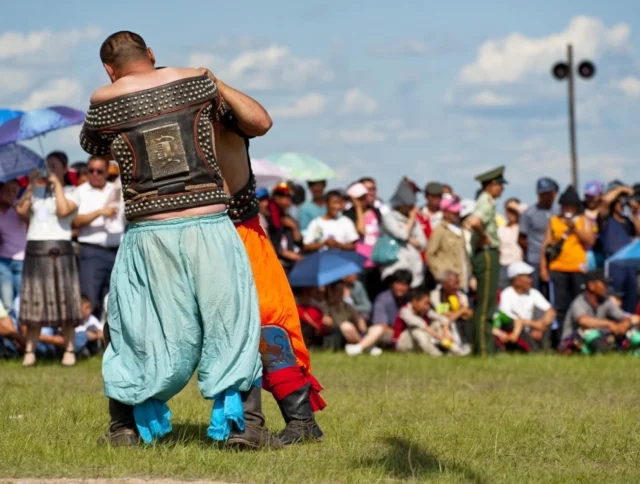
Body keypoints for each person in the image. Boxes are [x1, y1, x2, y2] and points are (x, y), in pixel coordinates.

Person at [80, 31, 273, 448]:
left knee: (134, 325)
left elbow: (92, 144)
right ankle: (246, 426)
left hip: (149, 232)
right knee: (232, 321)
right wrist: (213, 80)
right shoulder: (197, 84)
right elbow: (261, 122)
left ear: (109, 69)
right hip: (209, 225)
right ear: (151, 54)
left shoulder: (103, 100)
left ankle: (125, 429)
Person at [201, 64, 325, 445]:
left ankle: (300, 423)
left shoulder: (218, 114)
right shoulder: (166, 126)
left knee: (267, 325)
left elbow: (261, 120)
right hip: (197, 238)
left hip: (241, 234)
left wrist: (213, 82)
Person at [15, 152, 82, 367]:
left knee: (65, 300)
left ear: (64, 169)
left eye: (54, 166)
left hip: (60, 249)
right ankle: (30, 351)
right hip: (35, 248)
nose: (49, 169)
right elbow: (21, 211)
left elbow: (64, 211)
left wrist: (57, 184)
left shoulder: (73, 191)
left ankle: (69, 349)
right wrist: (32, 186)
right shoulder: (36, 192)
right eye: (47, 166)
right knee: (34, 301)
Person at [540, 185, 596, 349]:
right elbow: (546, 245)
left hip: (578, 269)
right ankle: (562, 341)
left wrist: (574, 228)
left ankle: (580, 340)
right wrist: (544, 268)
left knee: (578, 304)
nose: (567, 209)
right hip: (558, 268)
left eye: (570, 206)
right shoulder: (554, 221)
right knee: (560, 306)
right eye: (564, 205)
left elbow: (590, 240)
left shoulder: (583, 220)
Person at [73, 155, 126, 318]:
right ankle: (86, 340)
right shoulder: (80, 192)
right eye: (91, 171)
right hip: (92, 252)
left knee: (117, 298)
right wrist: (99, 212)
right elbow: (75, 221)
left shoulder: (117, 190)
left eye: (99, 171)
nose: (94, 174)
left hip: (117, 251)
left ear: (105, 172)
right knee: (89, 299)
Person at [464, 166, 506, 356]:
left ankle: (480, 348)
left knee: (484, 304)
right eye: (500, 185)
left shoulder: (485, 201)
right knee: (486, 306)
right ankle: (483, 350)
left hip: (485, 253)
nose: (502, 189)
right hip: (487, 253)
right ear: (492, 185)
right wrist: (483, 236)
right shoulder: (486, 202)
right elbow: (474, 222)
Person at [559, 270, 633, 354]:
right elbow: (583, 321)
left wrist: (623, 325)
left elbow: (624, 317)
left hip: (597, 338)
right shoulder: (579, 301)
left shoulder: (606, 301)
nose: (606, 287)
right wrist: (609, 323)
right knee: (588, 333)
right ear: (591, 286)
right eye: (603, 284)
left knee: (627, 335)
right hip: (574, 341)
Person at [345, 269, 412, 356]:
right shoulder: (383, 299)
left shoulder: (411, 299)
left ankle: (363, 347)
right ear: (392, 284)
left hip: (407, 334)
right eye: (398, 284)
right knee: (377, 329)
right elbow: (381, 325)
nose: (401, 288)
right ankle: (361, 347)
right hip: (389, 334)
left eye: (404, 285)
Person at [494, 261, 556, 352]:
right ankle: (534, 350)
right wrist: (535, 324)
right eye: (527, 277)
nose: (531, 280)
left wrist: (542, 326)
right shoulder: (507, 294)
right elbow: (511, 320)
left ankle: (544, 348)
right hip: (516, 332)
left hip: (532, 330)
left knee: (548, 323)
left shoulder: (533, 293)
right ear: (516, 279)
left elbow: (551, 311)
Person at [381, 178, 427, 288]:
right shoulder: (389, 217)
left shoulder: (416, 221)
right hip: (396, 270)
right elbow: (403, 235)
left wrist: (413, 240)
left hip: (415, 272)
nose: (412, 207)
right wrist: (411, 219)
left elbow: (423, 243)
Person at [600, 191, 640, 313]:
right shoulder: (606, 220)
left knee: (631, 297)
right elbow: (605, 202)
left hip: (629, 265)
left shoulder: (627, 222)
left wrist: (634, 213)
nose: (622, 204)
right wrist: (622, 189)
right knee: (614, 297)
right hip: (613, 264)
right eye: (619, 202)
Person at [394, 286, 465, 356]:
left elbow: (443, 319)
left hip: (419, 344)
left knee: (438, 323)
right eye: (425, 303)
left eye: (428, 304)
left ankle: (454, 350)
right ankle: (436, 354)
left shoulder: (425, 311)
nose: (427, 307)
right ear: (414, 302)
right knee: (416, 330)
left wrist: (445, 331)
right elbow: (422, 325)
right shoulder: (405, 311)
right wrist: (441, 338)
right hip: (403, 344)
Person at [343, 182, 383, 301]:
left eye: (364, 196)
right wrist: (358, 208)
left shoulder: (376, 212)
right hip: (359, 264)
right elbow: (361, 230)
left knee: (375, 296)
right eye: (360, 198)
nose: (364, 200)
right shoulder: (349, 215)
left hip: (376, 263)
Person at [519, 177, 558, 295]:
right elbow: (521, 238)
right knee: (536, 292)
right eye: (543, 194)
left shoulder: (559, 211)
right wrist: (531, 249)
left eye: (548, 193)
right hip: (535, 259)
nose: (546, 196)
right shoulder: (529, 213)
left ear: (554, 193)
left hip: (556, 259)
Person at [427, 197, 471, 292]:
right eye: (454, 212)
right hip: (448, 284)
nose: (457, 214)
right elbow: (430, 255)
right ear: (445, 213)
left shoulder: (460, 230)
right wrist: (441, 275)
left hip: (462, 281)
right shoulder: (440, 230)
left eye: (458, 212)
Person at [0, 180, 27, 319]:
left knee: (22, 302)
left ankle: (20, 335)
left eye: (14, 191)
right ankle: (10, 339)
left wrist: (17, 206)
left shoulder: (19, 209)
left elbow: (29, 218)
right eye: (7, 190)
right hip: (3, 262)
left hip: (22, 261)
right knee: (7, 303)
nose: (10, 194)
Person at [265, 183, 303, 273]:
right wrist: (284, 253)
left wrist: (294, 228)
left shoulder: (289, 218)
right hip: (277, 262)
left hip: (294, 262)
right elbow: (269, 244)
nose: (289, 202)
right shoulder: (268, 219)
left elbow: (299, 242)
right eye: (286, 197)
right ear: (276, 198)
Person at [430, 271, 473, 348]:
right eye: (454, 283)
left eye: (458, 283)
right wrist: (462, 312)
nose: (457, 286)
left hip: (462, 323)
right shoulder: (435, 295)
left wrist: (456, 314)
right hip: (443, 325)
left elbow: (471, 313)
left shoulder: (461, 295)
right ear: (444, 283)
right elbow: (441, 314)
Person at [498, 198, 526, 289]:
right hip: (503, 267)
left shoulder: (522, 229)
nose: (510, 213)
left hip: (518, 266)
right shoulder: (500, 229)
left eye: (513, 211)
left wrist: (516, 208)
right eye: (508, 210)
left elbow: (526, 210)